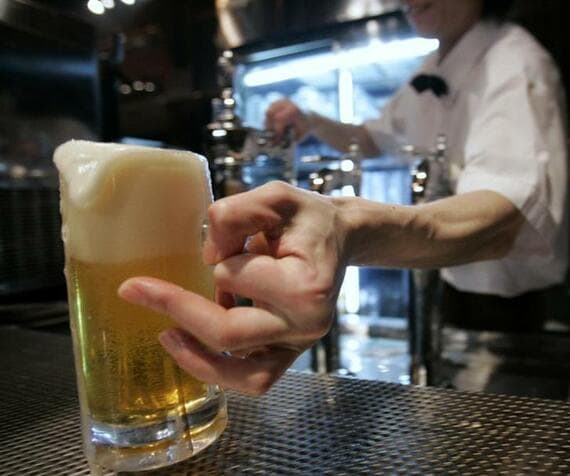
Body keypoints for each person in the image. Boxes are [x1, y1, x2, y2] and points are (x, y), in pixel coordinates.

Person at [118, 0, 568, 395]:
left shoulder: (514, 62)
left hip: (518, 308)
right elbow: (374, 138)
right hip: (451, 284)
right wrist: (311, 121)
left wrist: (348, 225)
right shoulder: (434, 67)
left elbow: (507, 214)